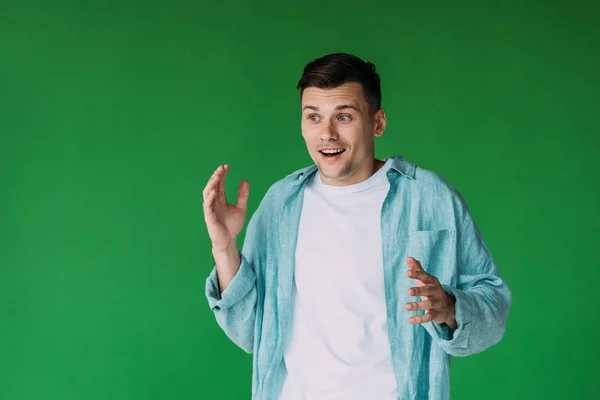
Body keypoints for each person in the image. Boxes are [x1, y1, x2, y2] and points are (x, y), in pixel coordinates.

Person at [202, 53, 511, 400]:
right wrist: (225, 247)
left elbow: (494, 307)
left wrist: (451, 308)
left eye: (344, 116)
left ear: (377, 122)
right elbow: (250, 331)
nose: (327, 134)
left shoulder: (430, 199)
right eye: (313, 117)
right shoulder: (281, 203)